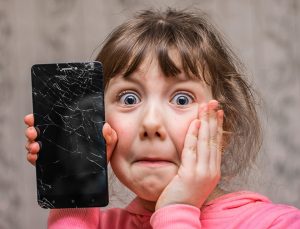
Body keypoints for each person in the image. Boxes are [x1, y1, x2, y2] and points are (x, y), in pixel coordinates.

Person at [24, 8, 300, 228]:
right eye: (129, 99)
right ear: (97, 123)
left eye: (181, 99)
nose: (151, 123)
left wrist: (176, 210)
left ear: (223, 128)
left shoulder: (278, 223)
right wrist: (74, 184)